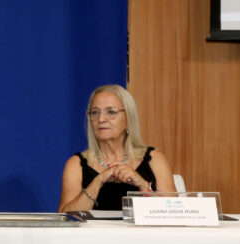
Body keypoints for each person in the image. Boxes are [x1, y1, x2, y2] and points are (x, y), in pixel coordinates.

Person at [58, 84, 176, 212]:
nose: (101, 119)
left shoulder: (155, 160)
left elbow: (175, 213)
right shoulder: (76, 164)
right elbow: (66, 217)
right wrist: (97, 182)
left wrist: (142, 184)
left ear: (128, 118)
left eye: (111, 112)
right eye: (95, 112)